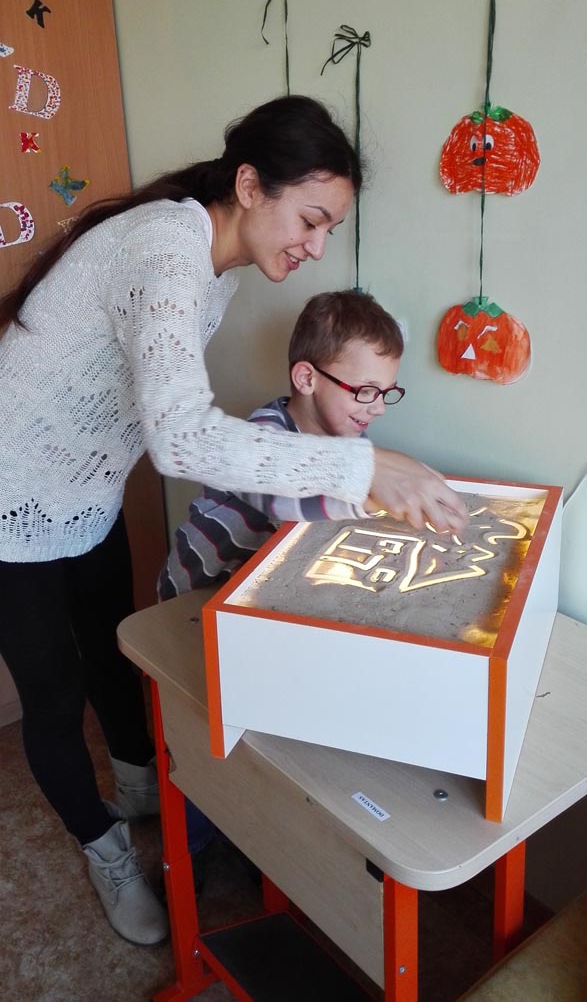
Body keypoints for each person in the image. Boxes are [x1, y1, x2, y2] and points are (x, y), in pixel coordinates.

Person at [0, 94, 466, 947]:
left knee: (113, 645)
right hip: (7, 495)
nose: (316, 246)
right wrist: (362, 468)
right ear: (249, 186)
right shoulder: (164, 249)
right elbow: (181, 436)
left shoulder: (215, 269)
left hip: (87, 491)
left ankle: (138, 786)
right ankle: (104, 848)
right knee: (54, 693)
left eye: (329, 230)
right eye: (311, 220)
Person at [159, 287, 408, 874]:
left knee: (257, 728)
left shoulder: (350, 441)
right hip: (192, 598)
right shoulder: (262, 437)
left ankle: (245, 833)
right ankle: (188, 852)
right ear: (306, 377)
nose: (375, 407)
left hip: (250, 600)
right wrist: (381, 495)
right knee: (196, 735)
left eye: (386, 392)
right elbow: (287, 505)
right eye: (364, 391)